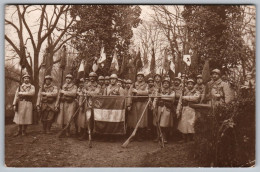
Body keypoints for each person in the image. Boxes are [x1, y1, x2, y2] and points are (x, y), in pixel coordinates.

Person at [153, 78, 175, 143]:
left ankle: (164, 137)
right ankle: (158, 136)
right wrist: (154, 107)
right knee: (157, 122)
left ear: (169, 84)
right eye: (164, 83)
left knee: (165, 123)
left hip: (167, 108)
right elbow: (156, 98)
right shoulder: (159, 90)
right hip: (159, 107)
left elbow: (171, 98)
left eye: (167, 83)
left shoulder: (172, 91)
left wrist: (162, 96)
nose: (166, 84)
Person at [128, 72, 149, 141]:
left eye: (141, 76)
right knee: (133, 120)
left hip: (143, 104)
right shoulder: (133, 85)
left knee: (142, 120)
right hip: (134, 103)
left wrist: (137, 91)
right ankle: (133, 136)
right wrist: (129, 104)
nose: (140, 78)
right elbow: (129, 95)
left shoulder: (146, 85)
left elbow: (147, 92)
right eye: (138, 76)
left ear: (143, 77)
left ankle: (140, 135)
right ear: (136, 77)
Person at [79, 72, 100, 140]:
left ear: (95, 78)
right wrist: (80, 105)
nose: (91, 78)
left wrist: (87, 92)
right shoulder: (85, 86)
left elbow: (96, 94)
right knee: (85, 119)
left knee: (92, 119)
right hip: (85, 104)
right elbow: (81, 95)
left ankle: (92, 134)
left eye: (93, 77)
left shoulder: (98, 86)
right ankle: (84, 134)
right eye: (90, 77)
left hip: (95, 105)